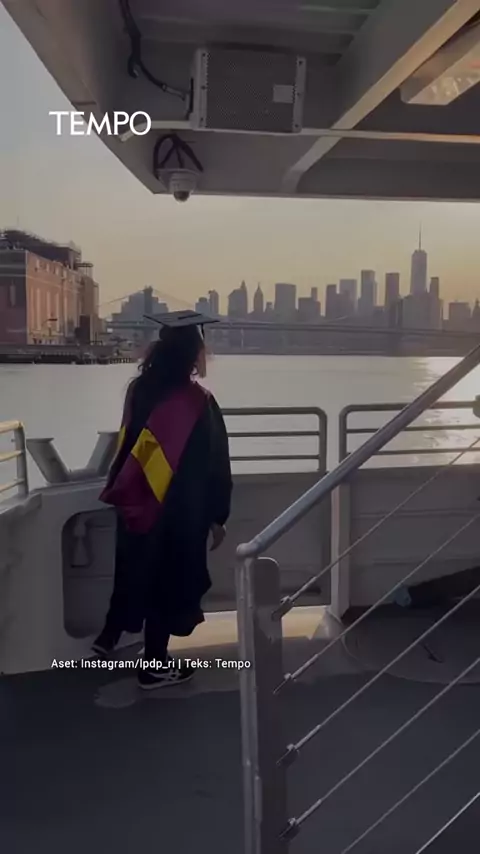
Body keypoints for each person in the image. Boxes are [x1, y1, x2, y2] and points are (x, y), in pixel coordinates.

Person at [92, 310, 232, 689]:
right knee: (168, 584)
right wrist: (218, 515)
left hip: (136, 498)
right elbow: (215, 463)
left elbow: (128, 442)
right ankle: (154, 665)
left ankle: (110, 636)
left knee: (137, 572)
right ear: (193, 353)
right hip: (178, 509)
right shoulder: (197, 401)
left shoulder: (138, 390)